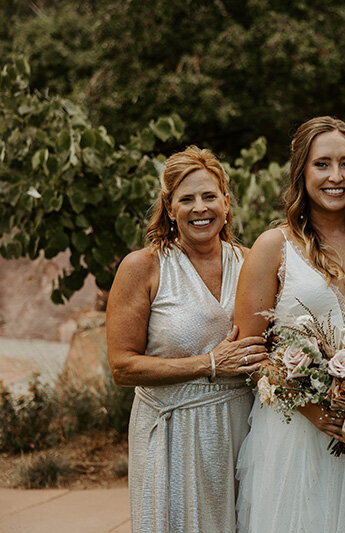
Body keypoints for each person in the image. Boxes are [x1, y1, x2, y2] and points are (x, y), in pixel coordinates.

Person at [234, 116, 345, 533]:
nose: (336, 176)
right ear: (302, 171)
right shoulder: (273, 246)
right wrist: (312, 406)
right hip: (295, 431)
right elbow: (248, 352)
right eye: (322, 164)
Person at [106, 146, 268, 533]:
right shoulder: (143, 267)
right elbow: (122, 366)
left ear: (226, 203)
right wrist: (209, 363)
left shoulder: (250, 262)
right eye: (187, 199)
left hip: (242, 428)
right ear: (169, 207)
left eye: (210, 196)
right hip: (172, 433)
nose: (200, 208)